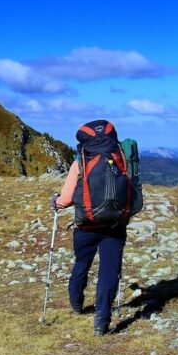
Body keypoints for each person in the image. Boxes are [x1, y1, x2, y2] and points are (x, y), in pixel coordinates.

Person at [50, 121, 132, 336]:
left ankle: (77, 303)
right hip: (115, 224)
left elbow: (66, 199)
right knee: (109, 271)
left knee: (82, 262)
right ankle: (101, 322)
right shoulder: (123, 155)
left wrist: (56, 201)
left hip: (86, 225)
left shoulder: (81, 160)